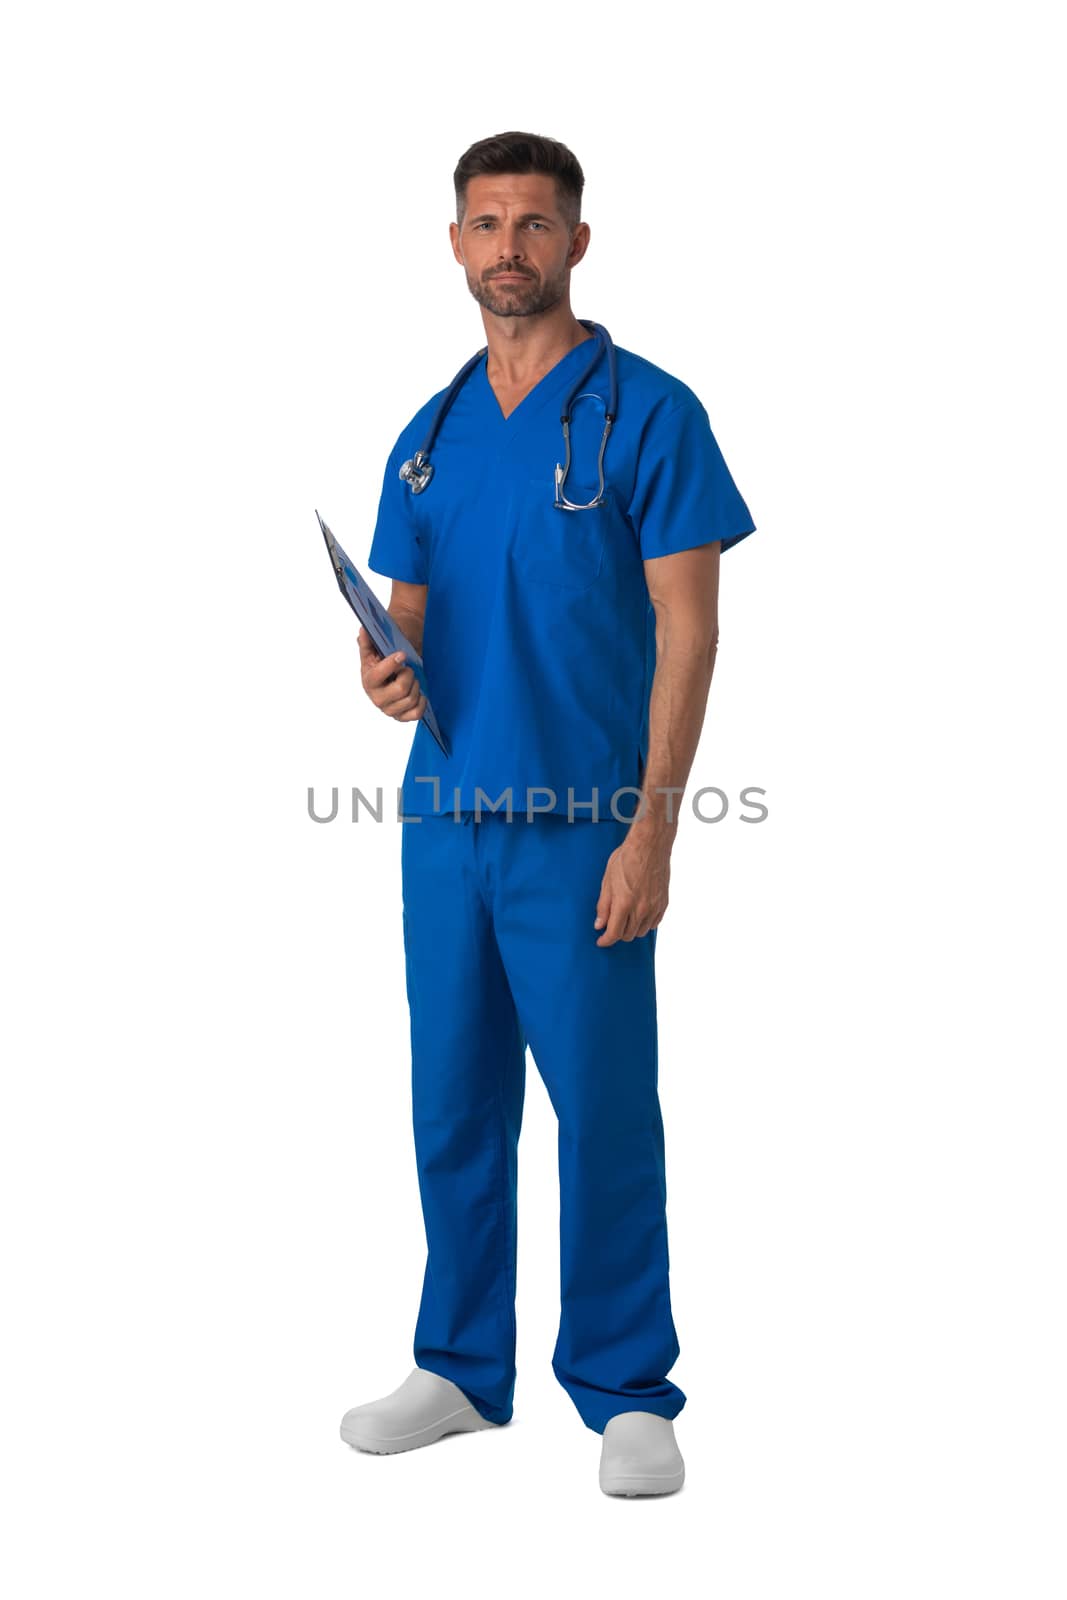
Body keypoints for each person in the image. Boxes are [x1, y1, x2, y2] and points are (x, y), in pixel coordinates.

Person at [339, 131, 756, 1497]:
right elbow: (406, 627)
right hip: (445, 820)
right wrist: (383, 672)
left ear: (578, 242)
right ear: (455, 246)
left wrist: (652, 833)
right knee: (451, 1101)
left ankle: (627, 1389)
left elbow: (689, 636)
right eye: (485, 223)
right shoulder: (431, 434)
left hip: (583, 821)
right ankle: (461, 1366)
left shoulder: (650, 414)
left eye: (534, 222)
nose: (508, 246)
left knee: (602, 1108)